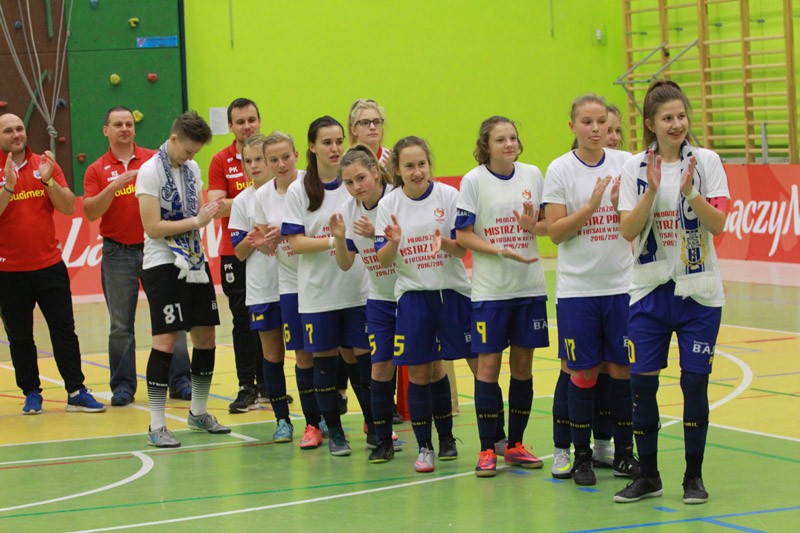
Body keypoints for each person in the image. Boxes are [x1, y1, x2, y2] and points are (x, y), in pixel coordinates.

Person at [614, 80, 729, 504]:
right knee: (641, 386)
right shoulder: (634, 168)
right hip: (649, 291)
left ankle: (693, 478)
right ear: (651, 124)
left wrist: (690, 193)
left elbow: (718, 224)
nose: (677, 124)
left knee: (694, 383)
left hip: (699, 292)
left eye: (681, 116)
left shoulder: (707, 161)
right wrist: (651, 190)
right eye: (667, 118)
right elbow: (628, 230)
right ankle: (648, 476)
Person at [543, 95, 638, 486]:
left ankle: (623, 453)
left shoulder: (627, 163)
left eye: (602, 121)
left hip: (622, 287)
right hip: (578, 291)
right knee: (582, 373)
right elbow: (555, 233)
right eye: (587, 122)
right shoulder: (560, 169)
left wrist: (618, 206)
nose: (596, 129)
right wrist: (592, 205)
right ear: (573, 127)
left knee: (621, 370)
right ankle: (580, 456)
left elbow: (636, 223)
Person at [455, 116, 549, 477]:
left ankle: (516, 445)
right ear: (486, 146)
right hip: (491, 292)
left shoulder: (533, 175)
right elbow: (463, 234)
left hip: (529, 288)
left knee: (522, 369)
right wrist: (498, 250)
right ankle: (486, 449)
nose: (509, 144)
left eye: (513, 138)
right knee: (489, 369)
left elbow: (546, 224)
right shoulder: (473, 180)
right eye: (500, 139)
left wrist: (534, 227)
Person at [83, 106, 192, 407]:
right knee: (120, 325)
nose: (124, 129)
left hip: (157, 248)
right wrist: (114, 186)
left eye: (129, 124)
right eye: (118, 124)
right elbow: (90, 211)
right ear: (106, 130)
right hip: (118, 252)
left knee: (172, 316)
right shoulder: (96, 169)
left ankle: (180, 381)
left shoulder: (154, 160)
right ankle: (122, 386)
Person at [376, 136, 472, 473]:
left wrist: (443, 242)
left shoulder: (449, 196)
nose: (417, 171)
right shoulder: (389, 204)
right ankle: (425, 446)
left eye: (422, 164)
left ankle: (451, 439)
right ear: (397, 170)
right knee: (420, 371)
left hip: (452, 292)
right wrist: (394, 242)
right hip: (413, 295)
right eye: (409, 166)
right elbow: (383, 258)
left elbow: (462, 249)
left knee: (461, 365)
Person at [0, 113, 106, 415]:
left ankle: (76, 391)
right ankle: (31, 393)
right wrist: (8, 187)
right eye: (8, 131)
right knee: (20, 337)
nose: (16, 134)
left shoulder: (44, 164)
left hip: (49, 266)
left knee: (64, 331)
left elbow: (68, 206)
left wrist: (48, 180)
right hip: (8, 271)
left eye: (19, 129)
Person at [136, 111, 230, 447]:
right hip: (162, 263)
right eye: (188, 150)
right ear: (174, 138)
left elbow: (199, 213)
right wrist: (197, 221)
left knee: (206, 336)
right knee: (165, 341)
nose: (191, 157)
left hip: (194, 260)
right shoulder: (149, 171)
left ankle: (198, 412)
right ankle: (157, 424)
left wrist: (207, 215)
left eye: (196, 153)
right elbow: (152, 227)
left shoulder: (192, 169)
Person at [282, 116, 373, 457]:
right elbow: (295, 243)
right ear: (312, 146)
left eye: (339, 141)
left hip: (358, 290)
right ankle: (334, 432)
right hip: (319, 293)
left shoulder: (354, 184)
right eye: (327, 142)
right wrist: (336, 241)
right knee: (324, 363)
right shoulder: (299, 189)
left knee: (365, 362)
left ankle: (376, 425)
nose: (335, 149)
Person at [252, 132, 330, 449]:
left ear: (297, 155)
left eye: (286, 157)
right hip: (289, 284)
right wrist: (266, 243)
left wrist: (289, 233)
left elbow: (322, 229)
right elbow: (268, 247)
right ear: (266, 162)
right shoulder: (262, 196)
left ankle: (331, 416)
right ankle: (311, 423)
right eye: (273, 159)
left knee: (330, 352)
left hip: (321, 279)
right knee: (301, 354)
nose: (281, 164)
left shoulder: (312, 185)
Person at [330, 145, 401, 463]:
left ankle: (439, 440)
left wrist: (377, 235)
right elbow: (346, 264)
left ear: (375, 171)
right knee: (379, 366)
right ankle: (382, 438)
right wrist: (339, 238)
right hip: (380, 297)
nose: (356, 187)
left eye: (361, 178)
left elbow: (411, 247)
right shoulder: (348, 210)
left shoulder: (397, 199)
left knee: (428, 367)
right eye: (349, 182)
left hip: (411, 293)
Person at [230, 134, 293, 442]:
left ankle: (320, 418)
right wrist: (253, 240)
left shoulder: (295, 190)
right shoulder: (243, 201)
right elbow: (239, 253)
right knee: (272, 354)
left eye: (259, 159)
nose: (254, 166)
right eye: (248, 161)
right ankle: (282, 420)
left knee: (308, 354)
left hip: (294, 285)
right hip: (262, 289)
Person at [207, 97, 267, 413]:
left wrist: (241, 200)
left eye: (251, 120)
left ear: (260, 121)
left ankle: (269, 384)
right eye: (240, 121)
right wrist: (254, 197)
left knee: (270, 316)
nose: (247, 126)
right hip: (235, 252)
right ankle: (247, 386)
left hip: (271, 250)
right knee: (243, 319)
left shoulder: (272, 153)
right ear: (230, 126)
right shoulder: (221, 160)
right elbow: (217, 205)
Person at [348, 99, 392, 168]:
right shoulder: (345, 162)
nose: (372, 127)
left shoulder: (392, 159)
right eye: (365, 123)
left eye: (377, 122)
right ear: (353, 130)